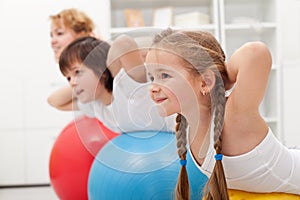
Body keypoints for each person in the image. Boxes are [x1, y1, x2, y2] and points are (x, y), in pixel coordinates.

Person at [145, 28, 300, 199]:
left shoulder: (234, 117)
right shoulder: (185, 123)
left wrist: (221, 79)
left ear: (205, 81)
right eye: (152, 78)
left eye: (165, 75)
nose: (153, 87)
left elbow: (255, 53)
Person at [48, 35, 175, 133]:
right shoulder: (96, 105)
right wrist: (81, 84)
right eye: (68, 78)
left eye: (77, 72)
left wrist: (107, 69)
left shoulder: (129, 84)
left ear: (101, 70)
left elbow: (124, 43)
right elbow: (54, 101)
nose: (72, 82)